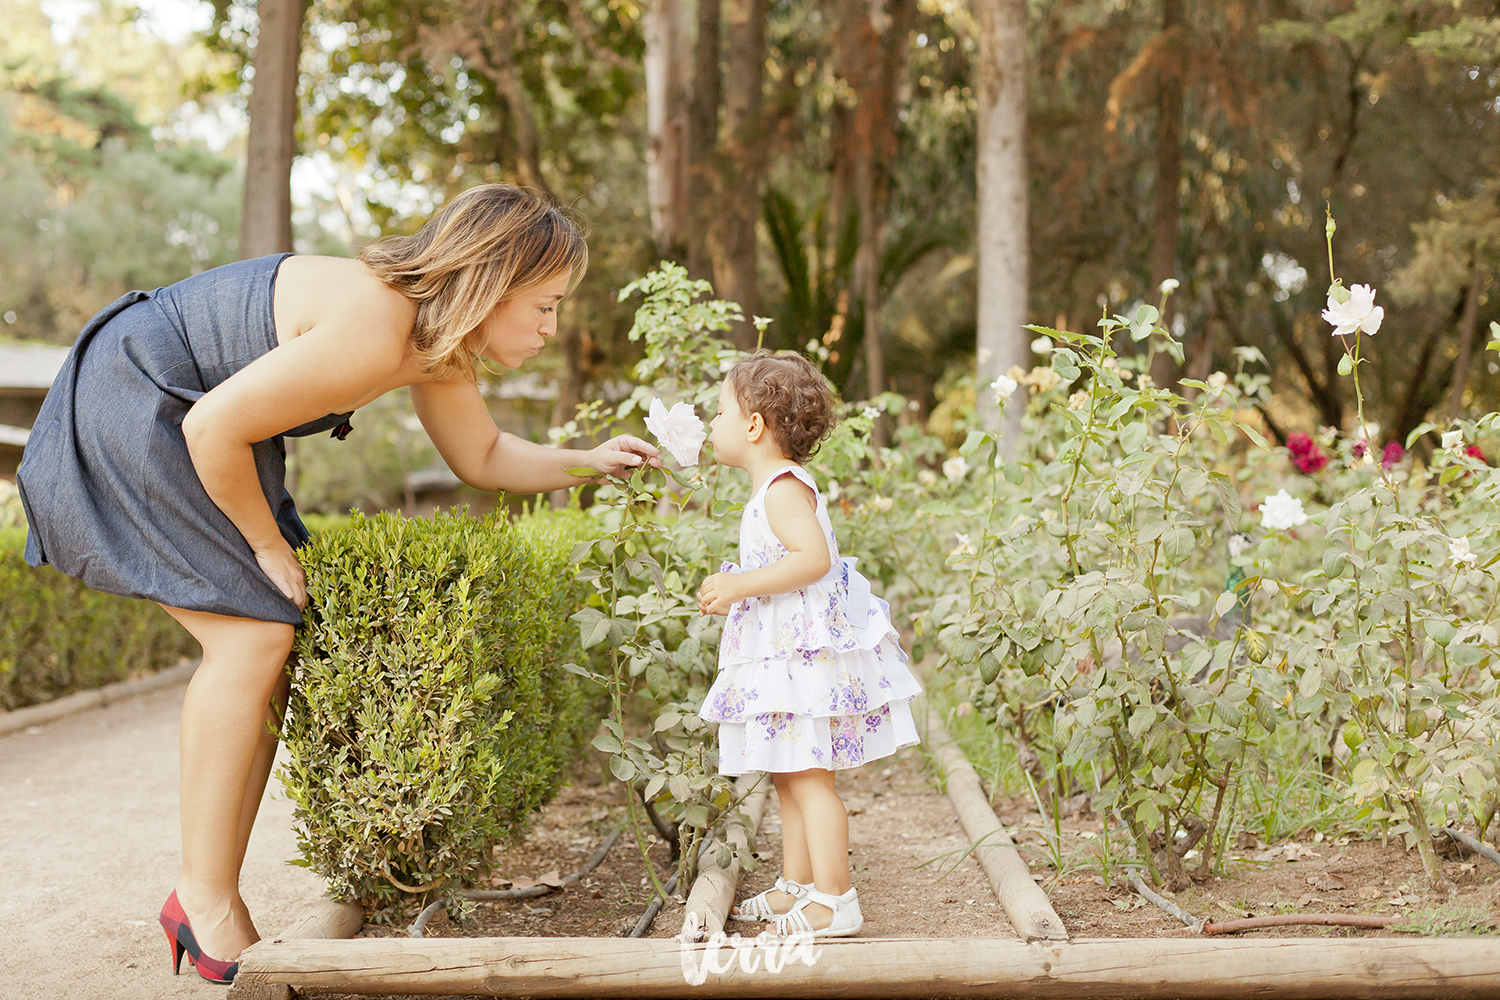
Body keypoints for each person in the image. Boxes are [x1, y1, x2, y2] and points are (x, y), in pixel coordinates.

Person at [16, 184, 658, 984]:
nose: (552, 328)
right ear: (491, 284)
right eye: (546, 304)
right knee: (253, 635)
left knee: (268, 647)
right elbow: (211, 426)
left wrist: (592, 460)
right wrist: (266, 546)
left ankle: (206, 895)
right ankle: (204, 897)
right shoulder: (376, 323)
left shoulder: (433, 343)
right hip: (139, 390)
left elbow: (483, 457)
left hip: (186, 411)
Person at [695, 351, 922, 938]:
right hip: (787, 655)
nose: (710, 423)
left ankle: (835, 899)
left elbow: (814, 560)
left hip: (802, 657)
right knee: (788, 770)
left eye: (719, 411)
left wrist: (741, 584)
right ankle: (797, 887)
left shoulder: (780, 492)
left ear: (753, 426)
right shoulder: (774, 488)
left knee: (811, 776)